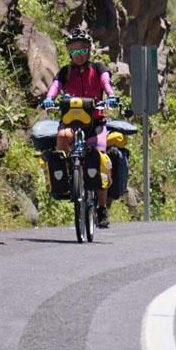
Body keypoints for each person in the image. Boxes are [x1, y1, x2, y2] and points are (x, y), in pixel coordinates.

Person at [42, 28, 119, 228]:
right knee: (61, 136)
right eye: (74, 52)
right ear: (69, 53)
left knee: (100, 156)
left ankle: (102, 208)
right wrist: (49, 99)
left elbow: (106, 82)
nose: (78, 55)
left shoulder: (98, 68)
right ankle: (69, 177)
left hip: (95, 124)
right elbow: (55, 86)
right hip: (71, 123)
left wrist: (110, 96)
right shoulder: (65, 72)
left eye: (82, 50)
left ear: (89, 50)